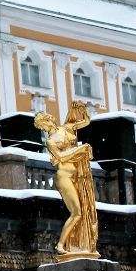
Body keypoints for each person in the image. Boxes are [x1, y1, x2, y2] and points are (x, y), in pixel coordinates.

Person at [35, 101, 100, 260]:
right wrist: (81, 149)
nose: (47, 125)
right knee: (76, 212)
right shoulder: (50, 142)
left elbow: (85, 122)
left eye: (47, 121)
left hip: (78, 176)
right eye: (43, 125)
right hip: (64, 178)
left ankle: (80, 244)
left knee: (85, 210)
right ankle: (61, 244)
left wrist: (83, 110)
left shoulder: (66, 128)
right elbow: (62, 157)